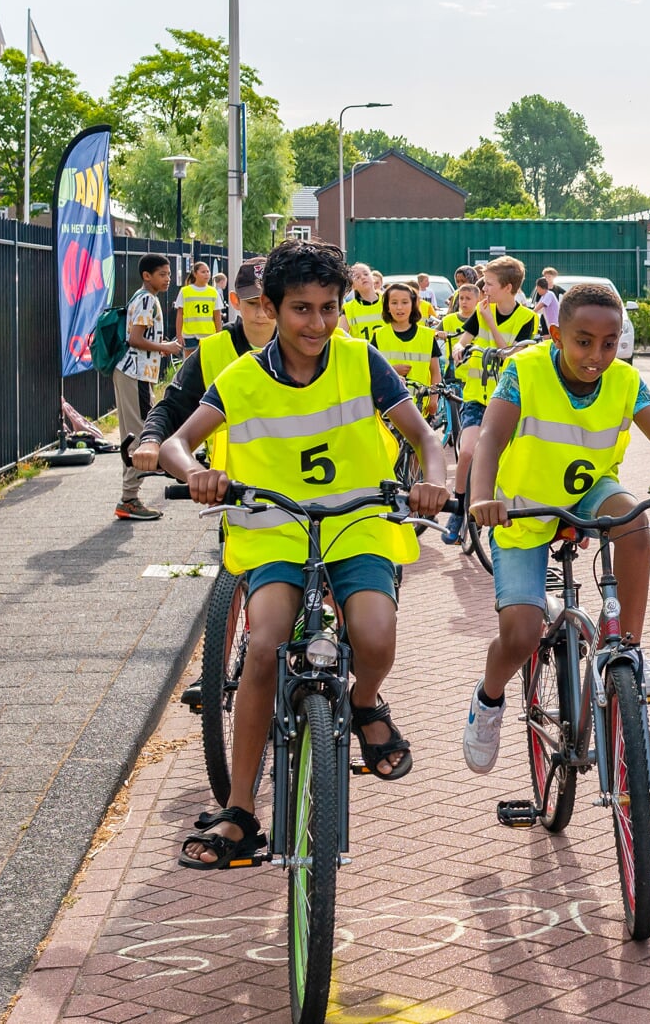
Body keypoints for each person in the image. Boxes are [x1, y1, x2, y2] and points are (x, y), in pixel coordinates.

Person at [161, 240, 448, 868]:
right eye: (301, 310)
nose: (317, 324)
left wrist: (437, 477)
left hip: (356, 522)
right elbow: (178, 443)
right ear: (270, 307)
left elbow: (425, 436)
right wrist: (196, 472)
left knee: (375, 635)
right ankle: (241, 811)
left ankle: (366, 701)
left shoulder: (361, 361)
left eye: (328, 308)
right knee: (263, 644)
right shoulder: (239, 377)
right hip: (274, 527)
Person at [461, 282, 650, 772]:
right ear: (556, 332)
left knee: (634, 523)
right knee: (519, 636)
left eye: (610, 343)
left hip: (590, 490)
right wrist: (482, 498)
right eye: (583, 341)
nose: (597, 355)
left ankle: (628, 650)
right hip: (522, 509)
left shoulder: (625, 380)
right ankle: (489, 698)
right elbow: (492, 439)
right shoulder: (524, 372)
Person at [130, 258, 275, 473]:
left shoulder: (300, 346)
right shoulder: (212, 351)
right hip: (229, 485)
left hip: (296, 482)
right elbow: (172, 407)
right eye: (252, 303)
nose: (261, 313)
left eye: (268, 303)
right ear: (235, 301)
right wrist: (151, 440)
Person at [445, 256, 546, 545]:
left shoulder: (528, 318)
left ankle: (501, 511)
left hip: (507, 401)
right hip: (477, 395)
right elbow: (466, 338)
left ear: (508, 287)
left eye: (488, 284)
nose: (483, 288)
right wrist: (459, 349)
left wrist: (490, 321)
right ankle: (458, 508)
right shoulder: (481, 310)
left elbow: (512, 353)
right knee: (467, 452)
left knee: (505, 460)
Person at [114, 254, 181, 521]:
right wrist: (164, 347)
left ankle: (131, 495)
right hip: (136, 374)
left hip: (139, 373)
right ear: (147, 276)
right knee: (139, 434)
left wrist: (160, 345)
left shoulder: (145, 299)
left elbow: (142, 337)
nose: (167, 279)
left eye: (168, 274)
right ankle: (129, 499)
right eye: (162, 274)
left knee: (138, 431)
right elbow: (135, 338)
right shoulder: (145, 299)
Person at [365, 281, 442, 392]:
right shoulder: (379, 335)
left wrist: (434, 398)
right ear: (387, 307)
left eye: (405, 302)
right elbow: (371, 371)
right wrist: (391, 370)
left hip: (422, 404)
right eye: (394, 303)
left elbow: (435, 372)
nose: (399, 307)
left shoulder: (428, 335)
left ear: (413, 305)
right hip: (389, 404)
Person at [174, 261, 222, 353]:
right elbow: (180, 314)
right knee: (190, 363)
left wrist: (218, 334)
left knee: (206, 362)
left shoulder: (213, 292)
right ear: (195, 274)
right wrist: (179, 335)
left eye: (208, 271)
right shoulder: (185, 291)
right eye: (203, 272)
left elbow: (217, 315)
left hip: (208, 334)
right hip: (190, 334)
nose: (206, 274)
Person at [343, 262, 386, 337]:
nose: (363, 277)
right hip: (362, 348)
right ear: (353, 286)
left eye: (366, 274)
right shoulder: (348, 309)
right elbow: (341, 337)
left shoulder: (388, 301)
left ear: (373, 278)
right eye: (357, 277)